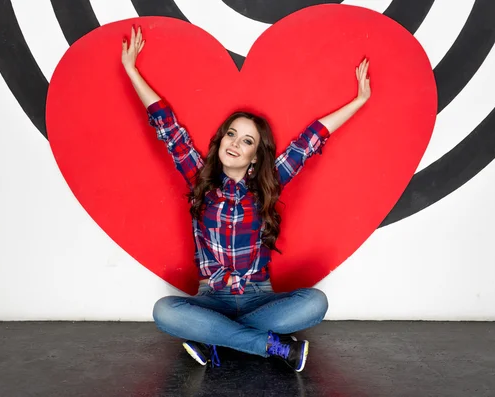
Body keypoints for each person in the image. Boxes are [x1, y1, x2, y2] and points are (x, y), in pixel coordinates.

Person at [121, 26, 371, 372]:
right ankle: (272, 346)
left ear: (255, 155)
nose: (235, 143)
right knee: (164, 311)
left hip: (259, 297)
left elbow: (311, 138)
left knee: (315, 302)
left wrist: (358, 101)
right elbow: (167, 126)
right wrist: (132, 70)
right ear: (221, 140)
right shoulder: (200, 179)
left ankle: (214, 340)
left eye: (247, 141)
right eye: (231, 134)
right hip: (212, 299)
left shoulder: (269, 182)